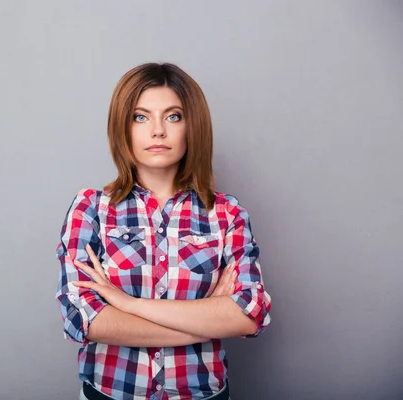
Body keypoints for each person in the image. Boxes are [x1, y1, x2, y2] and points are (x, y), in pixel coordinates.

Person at [55, 62, 272, 400]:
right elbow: (85, 320)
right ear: (122, 128)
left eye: (173, 116)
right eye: (140, 117)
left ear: (192, 125)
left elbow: (249, 313)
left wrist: (128, 304)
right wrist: (207, 315)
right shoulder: (91, 209)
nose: (158, 130)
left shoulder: (227, 213)